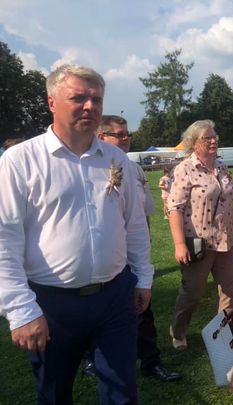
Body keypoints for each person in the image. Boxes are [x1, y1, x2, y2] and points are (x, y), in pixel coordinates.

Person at [0, 64, 153, 404]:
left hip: (115, 297)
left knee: (123, 393)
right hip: (52, 303)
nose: (89, 106)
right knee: (55, 394)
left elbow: (134, 224)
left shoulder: (117, 159)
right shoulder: (20, 161)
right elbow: (4, 239)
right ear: (51, 102)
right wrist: (21, 309)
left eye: (96, 99)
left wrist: (143, 277)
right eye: (78, 98)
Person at [77, 115, 179, 382]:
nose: (125, 139)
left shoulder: (134, 169)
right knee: (94, 313)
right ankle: (90, 357)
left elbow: (143, 215)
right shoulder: (89, 168)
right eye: (118, 135)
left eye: (127, 134)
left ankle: (151, 361)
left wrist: (143, 249)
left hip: (131, 255)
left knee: (143, 310)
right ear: (101, 137)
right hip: (102, 258)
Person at [168, 120, 233, 350]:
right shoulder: (185, 169)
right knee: (193, 293)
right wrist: (180, 244)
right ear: (194, 143)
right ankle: (178, 331)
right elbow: (175, 208)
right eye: (207, 138)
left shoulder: (222, 166)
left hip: (227, 240)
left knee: (230, 291)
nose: (213, 141)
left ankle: (223, 335)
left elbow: (228, 201)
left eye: (214, 136)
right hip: (199, 242)